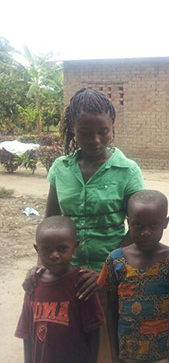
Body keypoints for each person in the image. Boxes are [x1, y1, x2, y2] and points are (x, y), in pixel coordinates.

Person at [23, 88, 145, 361]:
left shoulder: (128, 171)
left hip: (114, 278)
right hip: (69, 279)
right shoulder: (60, 169)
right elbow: (51, 222)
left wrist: (104, 273)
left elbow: (138, 228)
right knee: (71, 347)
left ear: (112, 127)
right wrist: (43, 267)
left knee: (108, 347)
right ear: (72, 130)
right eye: (85, 132)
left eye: (104, 131)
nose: (96, 139)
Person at [98, 190, 169, 363]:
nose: (145, 232)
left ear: (166, 223)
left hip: (166, 352)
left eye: (153, 225)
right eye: (138, 225)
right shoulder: (115, 261)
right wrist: (114, 353)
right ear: (128, 223)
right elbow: (110, 310)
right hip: (129, 354)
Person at [15, 216, 105, 363]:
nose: (55, 255)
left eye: (62, 248)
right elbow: (27, 334)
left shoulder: (82, 283)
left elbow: (94, 332)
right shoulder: (33, 284)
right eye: (46, 250)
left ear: (75, 247)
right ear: (37, 250)